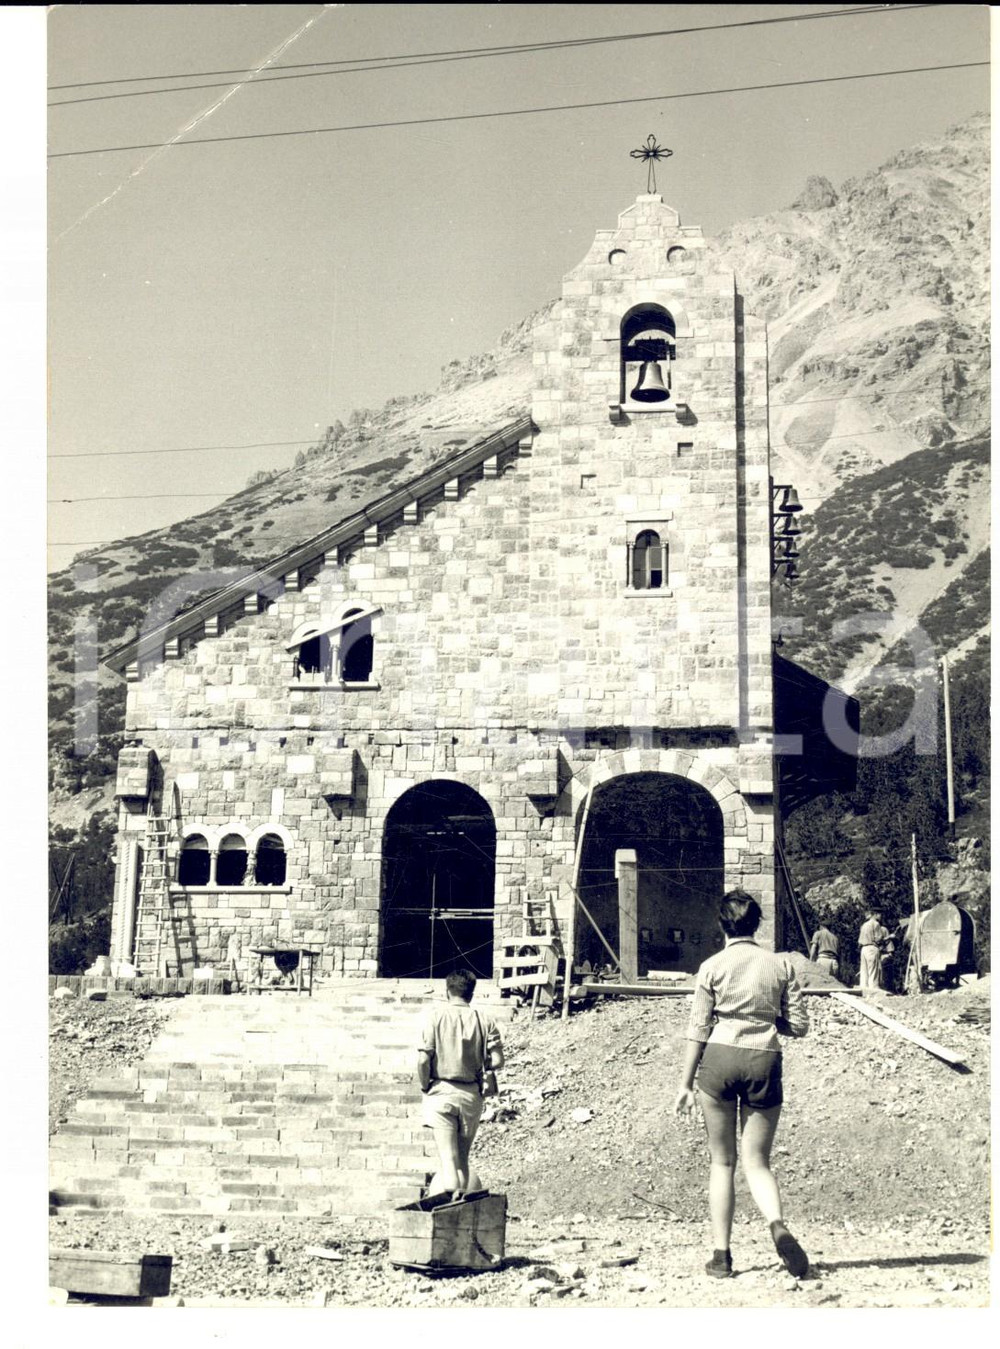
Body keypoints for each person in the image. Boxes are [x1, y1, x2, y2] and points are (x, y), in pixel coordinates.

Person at [674, 890, 810, 1280]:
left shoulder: (711, 966)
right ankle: (777, 1226)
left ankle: (722, 1256)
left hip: (718, 1060)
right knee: (758, 1162)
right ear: (757, 923)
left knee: (722, 1162)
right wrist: (768, 1021)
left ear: (722, 924)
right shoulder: (781, 966)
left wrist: (685, 1084)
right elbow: (799, 1025)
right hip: (764, 1057)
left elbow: (698, 1028)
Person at [416, 967, 504, 1203]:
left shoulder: (434, 1017)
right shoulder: (484, 1020)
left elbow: (423, 1059)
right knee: (463, 1160)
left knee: (448, 1160)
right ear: (471, 994)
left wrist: (425, 1085)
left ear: (447, 991)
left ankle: (449, 1209)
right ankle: (464, 1212)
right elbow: (497, 1060)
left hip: (441, 1091)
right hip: (471, 1095)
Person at [858, 910, 890, 991]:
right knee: (873, 971)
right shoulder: (876, 924)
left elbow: (859, 940)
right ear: (875, 914)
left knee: (864, 970)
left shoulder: (864, 925)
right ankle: (873, 989)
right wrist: (888, 937)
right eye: (879, 914)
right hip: (872, 948)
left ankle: (863, 988)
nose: (880, 916)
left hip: (863, 948)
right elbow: (878, 939)